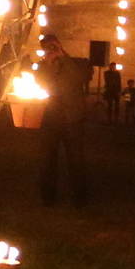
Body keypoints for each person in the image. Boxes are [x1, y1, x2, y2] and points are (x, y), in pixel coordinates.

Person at [37, 34, 90, 207]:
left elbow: (80, 78)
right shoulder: (42, 67)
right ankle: (48, 197)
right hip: (50, 119)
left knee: (76, 160)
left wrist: (63, 57)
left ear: (59, 44)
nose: (50, 50)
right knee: (47, 161)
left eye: (53, 46)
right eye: (47, 47)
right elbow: (41, 84)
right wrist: (48, 63)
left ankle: (79, 197)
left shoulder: (77, 63)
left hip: (72, 119)